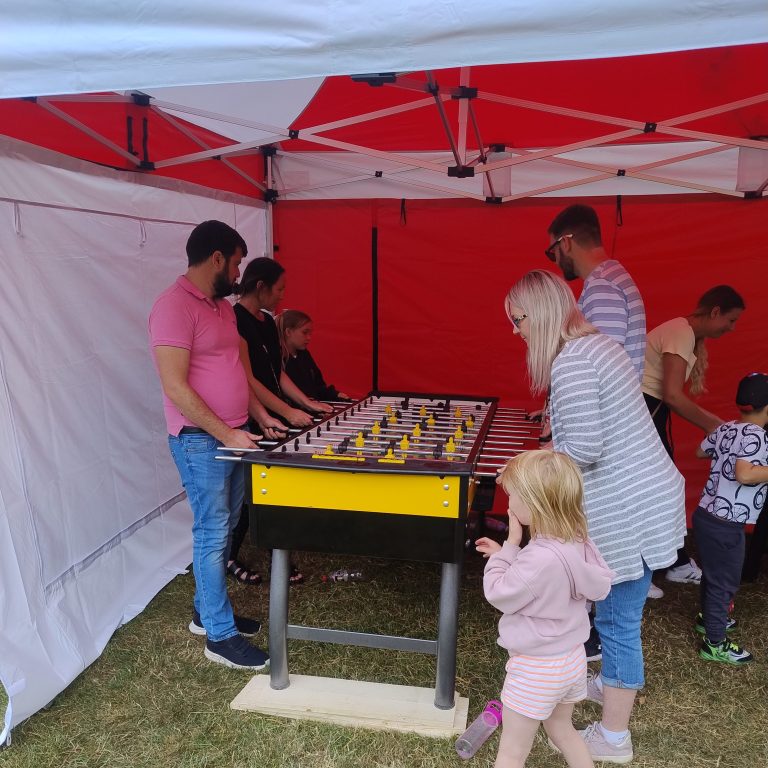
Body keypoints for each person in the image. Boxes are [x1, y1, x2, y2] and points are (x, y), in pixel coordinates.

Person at [504, 269, 685, 763]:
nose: (516, 331)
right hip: (646, 499)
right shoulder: (598, 345)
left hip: (628, 511)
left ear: (538, 316)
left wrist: (528, 476)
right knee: (619, 617)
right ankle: (611, 686)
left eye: (518, 320)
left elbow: (581, 448)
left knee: (618, 622)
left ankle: (614, 738)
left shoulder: (573, 363)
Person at [148, 220, 269, 670]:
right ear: (216, 258)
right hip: (203, 442)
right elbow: (175, 388)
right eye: (236, 262)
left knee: (227, 523)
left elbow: (234, 370)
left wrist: (256, 417)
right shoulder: (173, 307)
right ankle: (219, 635)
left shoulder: (220, 306)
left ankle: (207, 612)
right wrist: (226, 433)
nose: (239, 272)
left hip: (231, 435)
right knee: (213, 533)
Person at [546, 203, 659, 632]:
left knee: (602, 534)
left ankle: (596, 631)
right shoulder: (611, 280)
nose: (554, 261)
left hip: (607, 433)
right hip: (613, 426)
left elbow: (596, 367)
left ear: (567, 242)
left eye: (551, 251)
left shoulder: (604, 288)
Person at [476, 450, 614, 768]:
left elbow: (499, 592)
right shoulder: (576, 541)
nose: (508, 504)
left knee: (511, 753)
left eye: (512, 497)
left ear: (534, 503)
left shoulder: (537, 558)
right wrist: (509, 555)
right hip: (570, 660)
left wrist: (509, 545)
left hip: (536, 670)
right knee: (562, 730)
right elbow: (543, 576)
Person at [228, 257, 333, 585]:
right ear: (260, 286)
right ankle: (231, 555)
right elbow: (247, 379)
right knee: (250, 495)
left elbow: (278, 373)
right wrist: (283, 413)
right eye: (280, 288)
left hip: (273, 413)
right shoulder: (236, 320)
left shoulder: (269, 320)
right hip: (253, 414)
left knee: (272, 492)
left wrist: (307, 403)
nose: (283, 295)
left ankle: (279, 556)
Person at [642, 285, 746, 585]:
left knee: (663, 489)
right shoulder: (680, 331)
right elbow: (672, 395)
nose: (732, 327)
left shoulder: (685, 333)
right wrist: (716, 426)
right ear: (715, 312)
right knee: (658, 491)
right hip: (645, 410)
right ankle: (646, 572)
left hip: (651, 411)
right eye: (731, 320)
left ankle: (671, 561)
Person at [693, 373, 768, 665]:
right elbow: (745, 474)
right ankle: (714, 643)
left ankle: (708, 619)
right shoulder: (757, 435)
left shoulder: (729, 428)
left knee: (713, 575)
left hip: (706, 515)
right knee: (724, 581)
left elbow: (701, 451)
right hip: (727, 524)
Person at [276, 309, 351, 402]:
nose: (309, 337)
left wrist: (334, 394)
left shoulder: (304, 355)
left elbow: (318, 386)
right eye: (304, 332)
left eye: (310, 333)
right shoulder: (277, 359)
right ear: (288, 332)